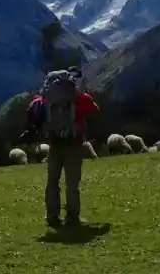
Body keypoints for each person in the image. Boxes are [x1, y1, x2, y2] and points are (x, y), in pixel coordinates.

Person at [25, 67, 100, 227]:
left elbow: (33, 110)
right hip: (73, 144)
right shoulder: (79, 98)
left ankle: (52, 216)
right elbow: (94, 108)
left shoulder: (45, 98)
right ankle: (72, 216)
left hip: (53, 144)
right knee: (72, 183)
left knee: (52, 181)